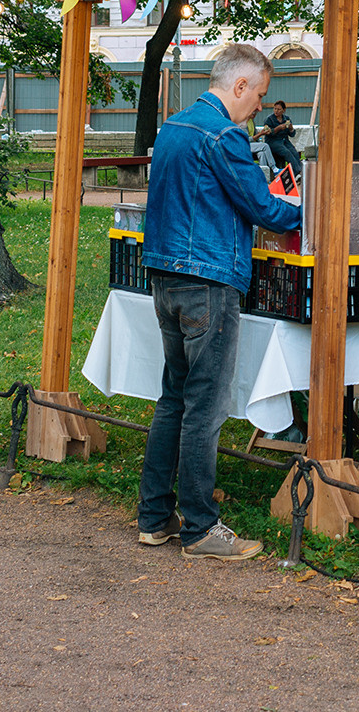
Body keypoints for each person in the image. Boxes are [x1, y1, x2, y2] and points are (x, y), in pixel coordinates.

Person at [137, 44, 303, 561]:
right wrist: (308, 211)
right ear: (239, 86)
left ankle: (155, 517)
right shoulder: (224, 135)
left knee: (174, 398)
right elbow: (261, 206)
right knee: (204, 407)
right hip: (208, 280)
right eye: (259, 94)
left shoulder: (175, 127)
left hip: (165, 276)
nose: (259, 105)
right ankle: (201, 527)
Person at [260, 100, 302, 180]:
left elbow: (292, 135)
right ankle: (296, 173)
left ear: (284, 110)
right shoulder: (269, 119)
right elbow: (268, 132)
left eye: (279, 109)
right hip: (273, 141)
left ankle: (296, 173)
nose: (276, 111)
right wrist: (277, 128)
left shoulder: (287, 119)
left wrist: (291, 129)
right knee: (286, 152)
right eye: (275, 109)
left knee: (294, 152)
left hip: (284, 140)